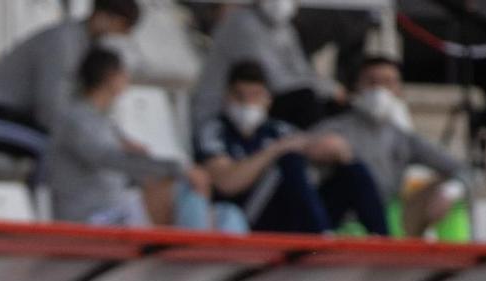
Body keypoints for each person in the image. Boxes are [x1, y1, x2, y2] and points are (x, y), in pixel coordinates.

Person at [194, 60, 384, 236]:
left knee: (351, 167)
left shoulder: (278, 129)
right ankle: (321, 236)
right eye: (240, 96)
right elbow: (226, 183)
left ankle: (382, 239)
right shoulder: (214, 130)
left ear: (268, 99)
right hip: (246, 217)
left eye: (255, 96)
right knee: (289, 160)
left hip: (289, 214)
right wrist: (275, 150)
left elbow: (311, 146)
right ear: (227, 96)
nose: (247, 103)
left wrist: (336, 149)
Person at [48, 48, 214, 229]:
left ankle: (198, 247)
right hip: (88, 216)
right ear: (111, 76)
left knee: (218, 209)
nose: (127, 79)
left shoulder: (103, 120)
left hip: (114, 208)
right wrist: (179, 169)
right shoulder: (76, 120)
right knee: (176, 187)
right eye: (124, 73)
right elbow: (110, 158)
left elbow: (127, 164)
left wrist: (147, 162)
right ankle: (194, 251)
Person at [0, 0, 138, 162]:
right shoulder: (62, 42)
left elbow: (91, 107)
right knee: (60, 153)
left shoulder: (89, 47)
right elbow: (50, 108)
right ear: (102, 17)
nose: (119, 38)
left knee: (80, 151)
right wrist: (87, 140)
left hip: (25, 122)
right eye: (120, 29)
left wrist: (116, 139)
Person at [312, 55, 468, 237]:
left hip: (386, 216)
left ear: (398, 89)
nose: (379, 90)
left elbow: (464, 169)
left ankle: (450, 259)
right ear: (356, 86)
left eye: (387, 82)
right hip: (342, 220)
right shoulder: (333, 129)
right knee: (355, 174)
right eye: (371, 82)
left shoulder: (403, 138)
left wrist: (450, 191)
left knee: (448, 190)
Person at [189, 0, 340, 131]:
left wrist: (334, 90)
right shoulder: (242, 23)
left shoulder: (284, 29)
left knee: (330, 104)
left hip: (259, 108)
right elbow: (276, 79)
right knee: (305, 100)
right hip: (223, 112)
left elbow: (302, 70)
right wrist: (329, 89)